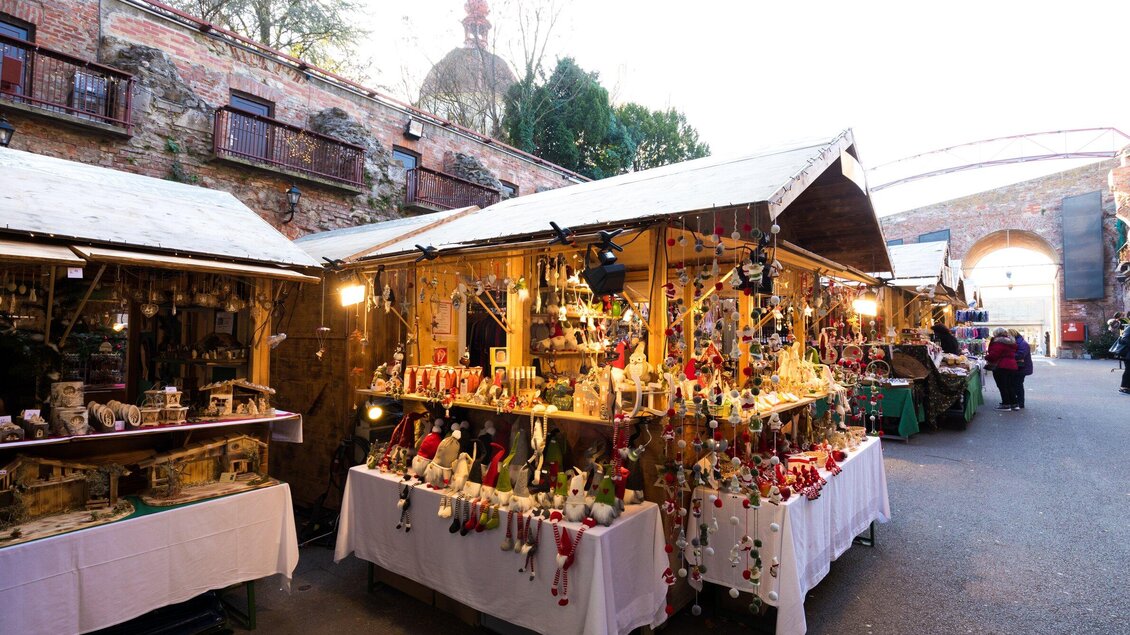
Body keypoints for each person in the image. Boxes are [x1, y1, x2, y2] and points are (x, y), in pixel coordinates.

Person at [984, 327, 1019, 411]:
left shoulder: (998, 342)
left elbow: (994, 355)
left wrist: (986, 357)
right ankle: (1014, 404)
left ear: (996, 334)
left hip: (1002, 366)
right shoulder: (1011, 342)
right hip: (1012, 365)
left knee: (1002, 386)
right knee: (1010, 385)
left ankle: (1006, 404)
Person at [1009, 328, 1033, 408]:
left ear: (1012, 335)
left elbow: (1020, 355)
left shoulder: (1022, 343)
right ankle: (1017, 402)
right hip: (1019, 367)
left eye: (1008, 336)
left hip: (1022, 368)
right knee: (1016, 384)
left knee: (1018, 385)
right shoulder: (1019, 342)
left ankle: (1020, 403)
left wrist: (1008, 354)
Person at [1108, 319, 1130, 394]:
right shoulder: (1129, 328)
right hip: (1127, 353)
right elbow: (1124, 340)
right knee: (1129, 370)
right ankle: (1124, 387)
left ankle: (1126, 387)